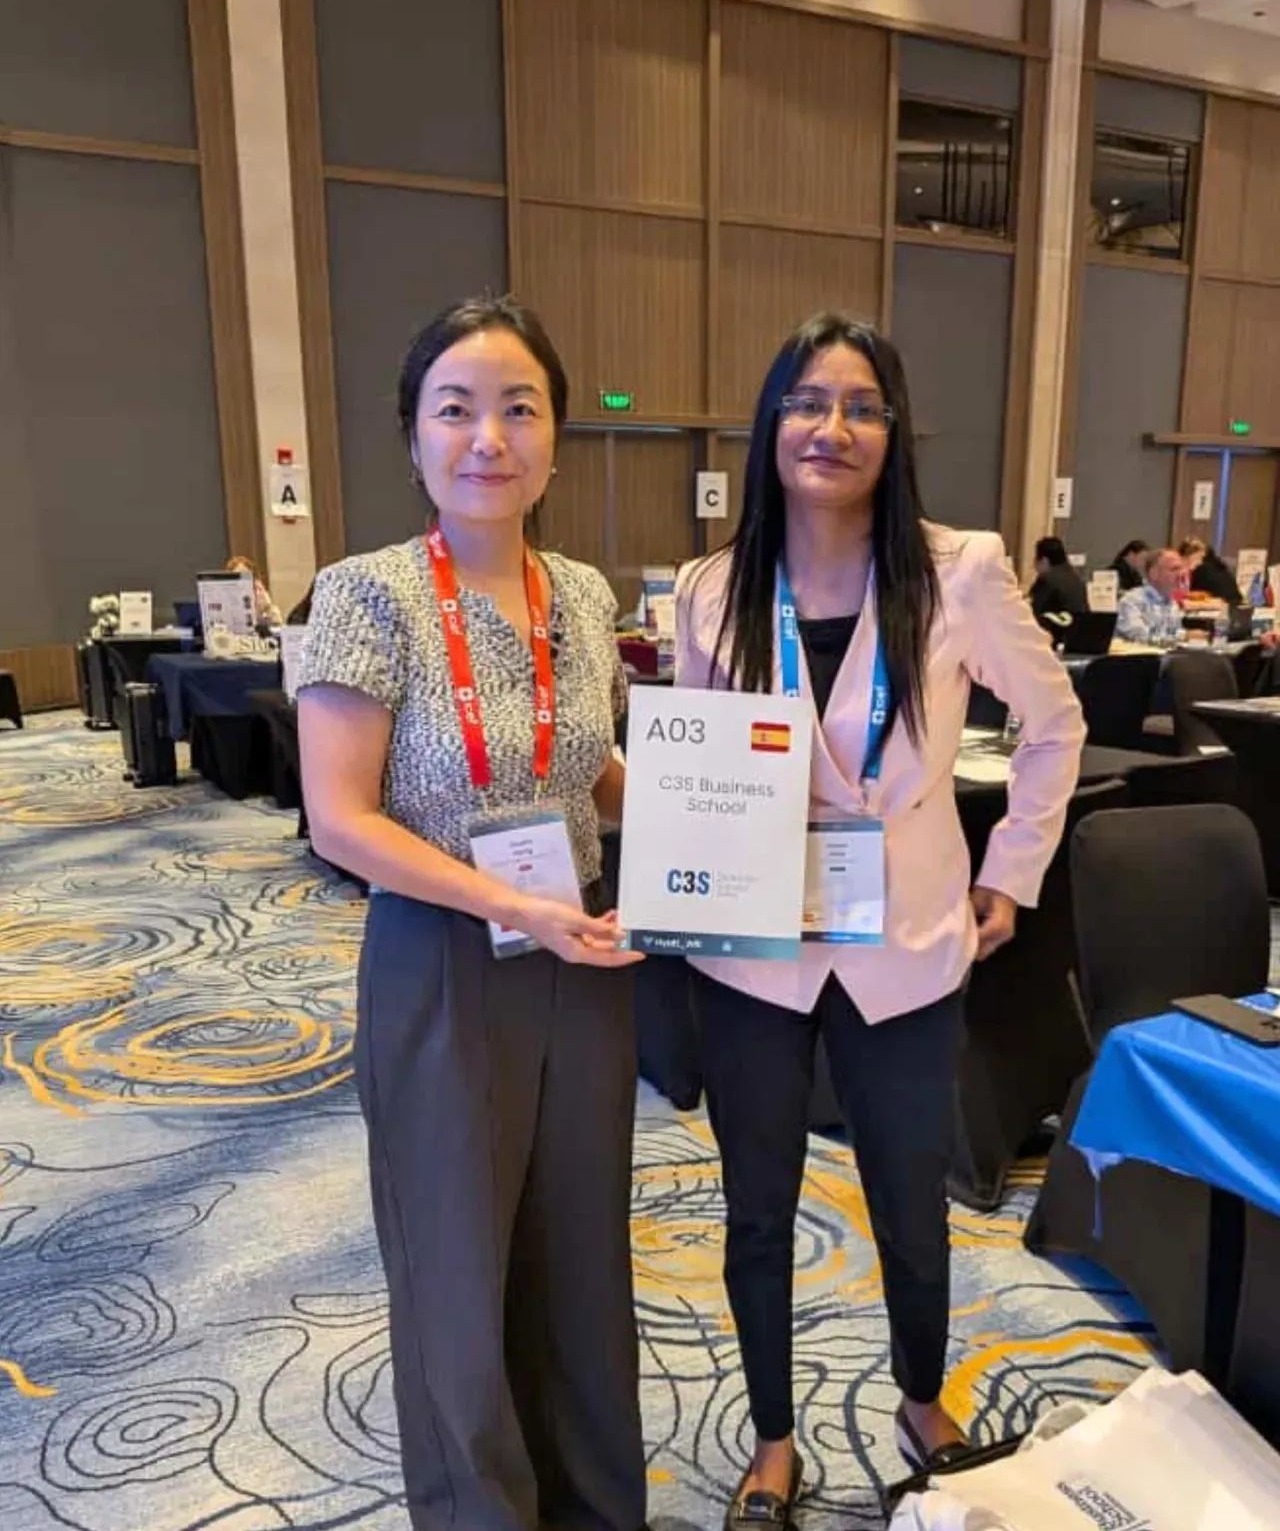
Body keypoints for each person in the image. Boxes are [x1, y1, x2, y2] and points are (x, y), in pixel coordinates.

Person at [676, 313, 1084, 1528]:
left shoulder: (958, 569)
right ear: (770, 423)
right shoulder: (710, 586)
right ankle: (770, 1439)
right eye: (807, 402)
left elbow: (1052, 720)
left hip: (904, 941)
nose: (831, 427)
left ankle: (918, 1400)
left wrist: (1010, 871)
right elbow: (701, 763)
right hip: (752, 952)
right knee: (756, 1207)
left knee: (911, 1197)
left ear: (892, 432)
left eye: (860, 406)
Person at [295, 295, 648, 1531]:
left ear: (555, 440)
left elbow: (587, 769)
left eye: (519, 409)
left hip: (581, 959)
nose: (488, 437)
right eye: (456, 409)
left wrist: (722, 824)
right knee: (455, 1264)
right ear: (413, 437)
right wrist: (506, 901)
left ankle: (597, 1506)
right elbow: (340, 819)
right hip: (441, 956)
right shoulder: (366, 595)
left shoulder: (584, 594)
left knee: (581, 1252)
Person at [1115, 547, 1186, 645]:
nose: (1181, 574)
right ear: (1154, 574)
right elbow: (1142, 636)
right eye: (1174, 569)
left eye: (1181, 569)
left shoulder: (1171, 603)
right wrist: (1184, 635)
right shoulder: (1131, 601)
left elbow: (1172, 635)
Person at [1029, 535, 1089, 622]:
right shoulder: (1074, 577)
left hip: (1056, 627)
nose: (1034, 565)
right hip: (1078, 627)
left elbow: (1034, 613)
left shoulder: (1047, 580)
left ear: (1044, 561)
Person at [1179, 538, 1243, 606]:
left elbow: (1190, 597)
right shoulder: (1218, 566)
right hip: (1235, 606)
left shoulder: (1201, 570)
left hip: (1220, 607)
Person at [225, 555, 284, 627]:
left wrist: (267, 608)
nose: (242, 581)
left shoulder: (260, 594)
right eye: (238, 576)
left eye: (246, 576)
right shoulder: (226, 601)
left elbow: (278, 624)